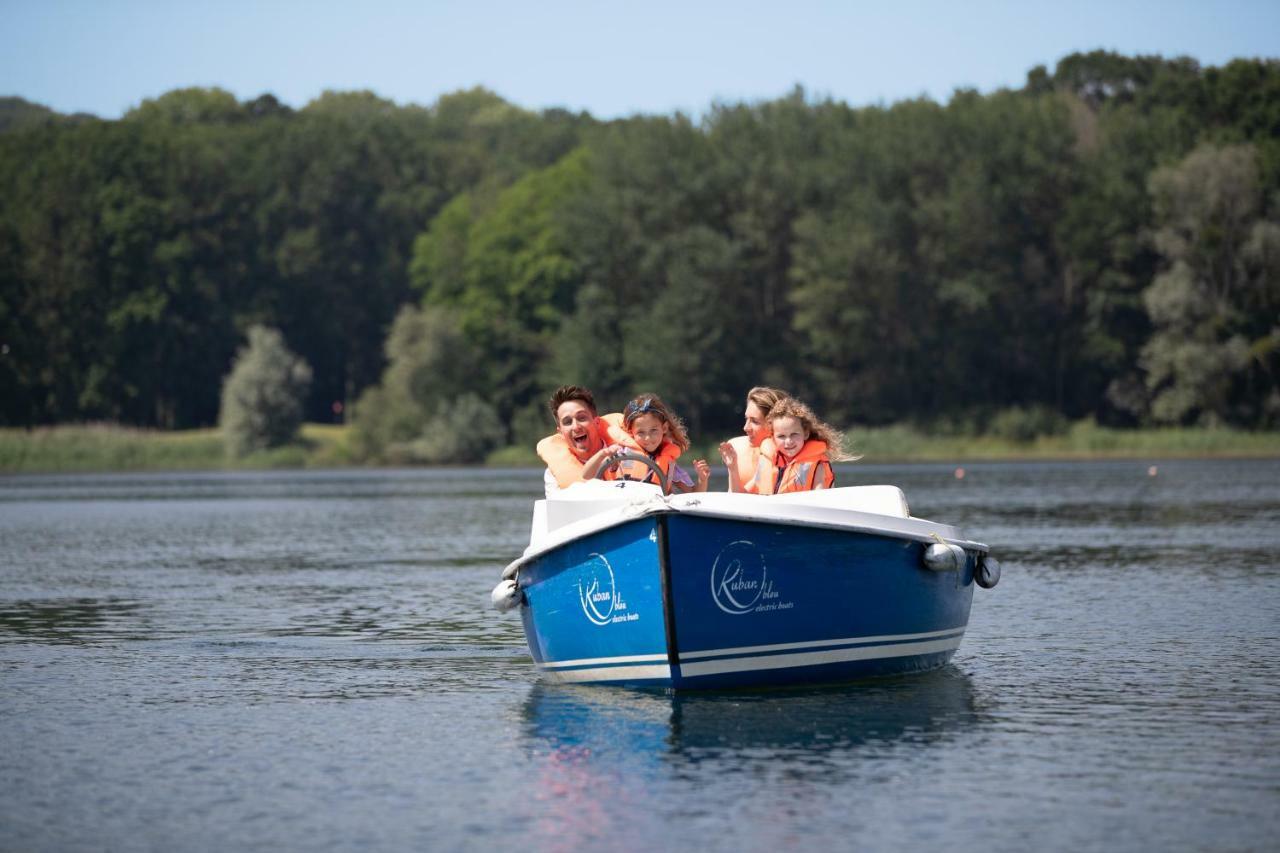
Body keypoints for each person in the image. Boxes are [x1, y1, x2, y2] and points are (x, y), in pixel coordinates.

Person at [536, 385, 637, 496]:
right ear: (561, 433)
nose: (576, 427)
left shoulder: (627, 454)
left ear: (597, 422)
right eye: (568, 422)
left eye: (582, 418)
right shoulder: (553, 476)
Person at [607, 394, 710, 494]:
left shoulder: (668, 463)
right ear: (630, 432)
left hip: (654, 508)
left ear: (664, 428)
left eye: (653, 430)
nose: (648, 438)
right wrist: (612, 462)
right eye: (641, 432)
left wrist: (702, 479)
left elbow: (694, 493)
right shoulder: (619, 453)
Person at [764, 396, 857, 494]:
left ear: (806, 433)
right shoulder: (768, 459)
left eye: (794, 434)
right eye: (781, 436)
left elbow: (819, 495)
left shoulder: (817, 465)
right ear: (773, 437)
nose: (788, 441)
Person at [717, 386, 787, 494]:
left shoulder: (792, 452)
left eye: (754, 421)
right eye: (746, 419)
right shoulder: (735, 448)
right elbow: (736, 499)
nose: (746, 428)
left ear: (774, 424)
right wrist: (733, 468)